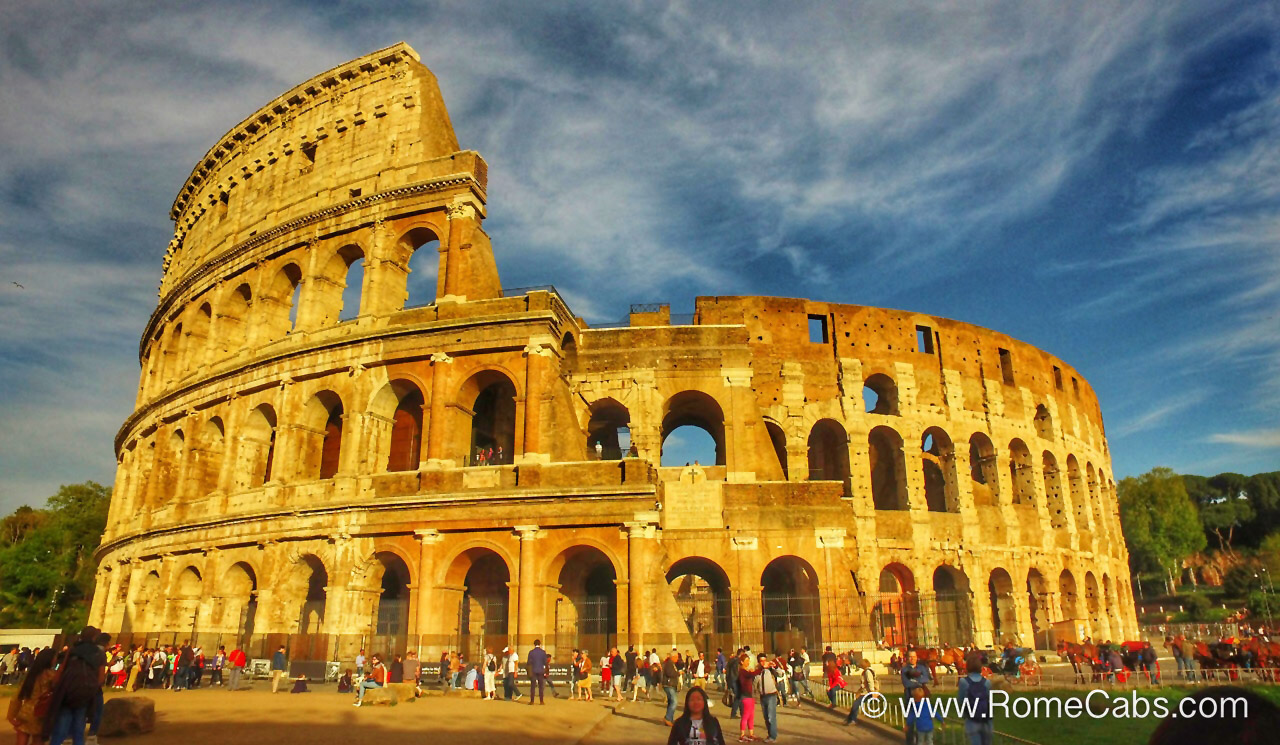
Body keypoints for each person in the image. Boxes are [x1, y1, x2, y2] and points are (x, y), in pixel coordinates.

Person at [46, 627, 107, 745]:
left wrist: (55, 686)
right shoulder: (99, 652)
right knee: (79, 728)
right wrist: (91, 690)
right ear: (95, 637)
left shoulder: (73, 649)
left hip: (67, 690)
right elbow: (100, 677)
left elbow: (61, 669)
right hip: (85, 693)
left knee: (61, 727)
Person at [7, 648, 55, 745]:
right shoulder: (52, 676)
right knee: (38, 740)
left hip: (25, 712)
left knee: (21, 740)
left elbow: (17, 697)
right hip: (41, 714)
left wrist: (11, 716)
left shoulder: (31, 675)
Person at [955, 655, 992, 745]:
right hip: (986, 720)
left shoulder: (963, 682)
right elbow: (989, 701)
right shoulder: (987, 682)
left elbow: (960, 700)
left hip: (971, 719)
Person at [754, 653, 782, 743]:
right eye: (761, 661)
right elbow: (754, 682)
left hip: (771, 694)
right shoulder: (757, 671)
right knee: (766, 717)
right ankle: (770, 734)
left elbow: (780, 674)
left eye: (764, 660)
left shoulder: (770, 669)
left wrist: (775, 666)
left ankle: (773, 736)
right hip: (763, 695)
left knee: (771, 716)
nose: (763, 662)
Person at [844, 658, 879, 725]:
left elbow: (870, 682)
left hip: (868, 692)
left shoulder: (867, 672)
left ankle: (852, 719)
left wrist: (872, 692)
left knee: (856, 704)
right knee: (856, 704)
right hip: (866, 691)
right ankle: (849, 719)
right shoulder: (870, 670)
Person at [662, 650, 682, 726]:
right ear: (673, 657)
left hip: (672, 685)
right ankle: (667, 718)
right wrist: (678, 673)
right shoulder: (669, 664)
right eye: (676, 657)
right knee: (674, 701)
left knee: (671, 702)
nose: (677, 659)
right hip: (668, 684)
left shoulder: (672, 664)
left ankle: (670, 719)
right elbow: (670, 673)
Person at [527, 639, 549, 705]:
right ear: (540, 644)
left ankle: (532, 701)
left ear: (534, 644)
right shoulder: (543, 652)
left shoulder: (531, 652)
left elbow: (529, 662)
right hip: (540, 670)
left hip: (533, 670)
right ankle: (541, 701)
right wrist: (546, 670)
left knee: (533, 686)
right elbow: (545, 662)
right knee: (541, 686)